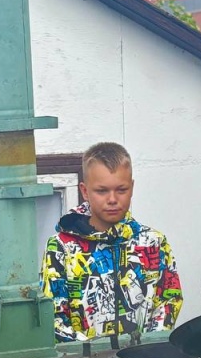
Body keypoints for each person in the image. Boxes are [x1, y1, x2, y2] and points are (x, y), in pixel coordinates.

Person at [41, 142, 183, 342]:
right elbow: (53, 316)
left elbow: (168, 300)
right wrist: (91, 352)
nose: (112, 199)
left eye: (121, 190)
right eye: (102, 191)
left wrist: (147, 347)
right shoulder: (60, 248)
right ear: (85, 191)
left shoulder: (154, 242)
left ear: (132, 188)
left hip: (144, 357)